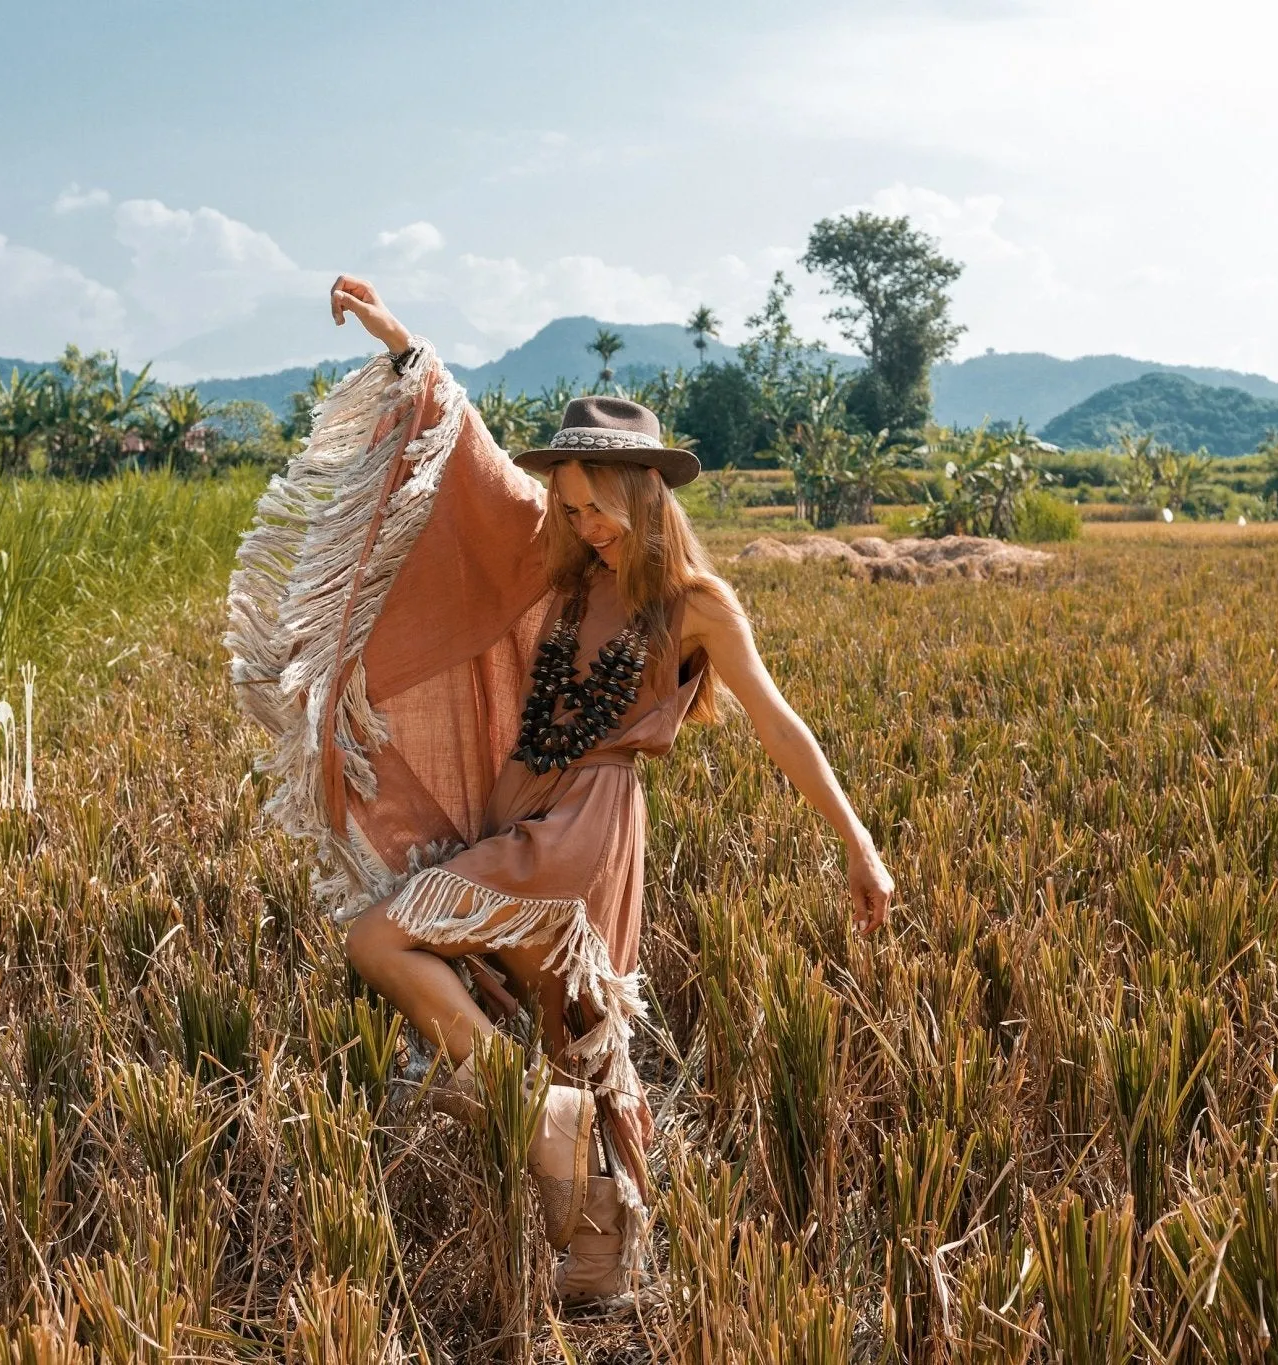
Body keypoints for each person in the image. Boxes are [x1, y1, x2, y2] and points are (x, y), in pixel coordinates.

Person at [226, 275, 894, 1305]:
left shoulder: (694, 604)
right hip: (525, 807)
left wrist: (859, 843)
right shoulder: (562, 573)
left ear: (641, 494)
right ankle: (600, 1263)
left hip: (586, 823)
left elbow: (777, 722)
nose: (580, 522)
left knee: (380, 941)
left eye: (593, 505)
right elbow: (475, 475)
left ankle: (536, 1117)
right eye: (570, 505)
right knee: (568, 1031)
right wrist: (407, 348)